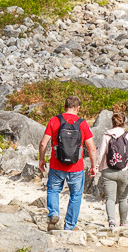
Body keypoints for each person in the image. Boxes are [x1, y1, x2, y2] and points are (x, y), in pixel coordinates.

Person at [38, 96, 98, 232]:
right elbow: (92, 148)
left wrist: (41, 159)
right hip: (76, 167)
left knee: (53, 190)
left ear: (64, 107)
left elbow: (43, 143)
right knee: (75, 195)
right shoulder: (82, 124)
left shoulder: (54, 120)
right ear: (78, 108)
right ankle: (69, 226)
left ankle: (53, 214)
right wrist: (94, 166)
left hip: (56, 165)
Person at [96, 111, 128, 229]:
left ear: (112, 122)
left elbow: (100, 154)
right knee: (123, 198)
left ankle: (111, 222)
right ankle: (123, 222)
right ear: (124, 122)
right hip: (124, 172)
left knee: (110, 199)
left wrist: (96, 167)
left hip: (108, 171)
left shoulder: (106, 136)